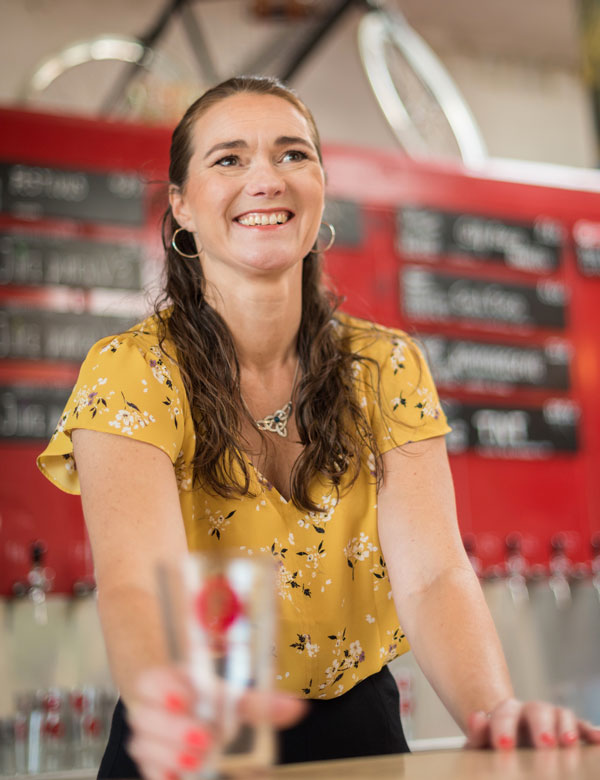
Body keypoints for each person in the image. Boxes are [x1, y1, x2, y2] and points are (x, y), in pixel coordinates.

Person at [38, 75, 600, 779]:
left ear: (322, 188)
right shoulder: (130, 371)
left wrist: (496, 718)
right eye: (229, 159)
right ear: (180, 205)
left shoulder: (386, 366)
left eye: (292, 154)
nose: (266, 178)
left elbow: (431, 577)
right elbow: (140, 584)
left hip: (360, 729)